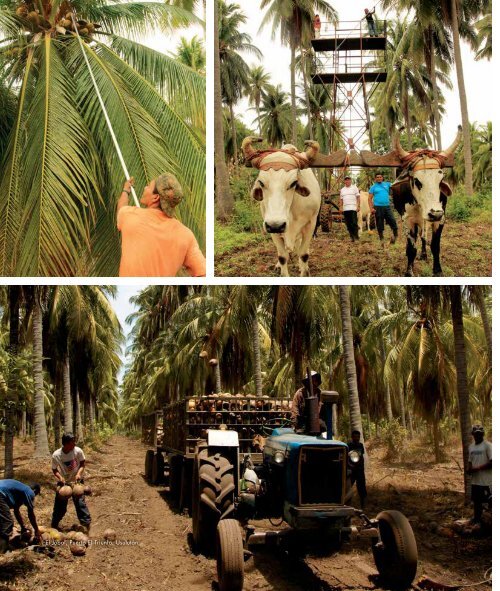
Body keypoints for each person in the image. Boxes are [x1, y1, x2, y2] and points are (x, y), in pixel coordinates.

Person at [117, 174, 206, 277]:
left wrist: (126, 191)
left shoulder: (130, 216)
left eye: (148, 186)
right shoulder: (186, 234)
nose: (145, 187)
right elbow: (203, 273)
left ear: (155, 197)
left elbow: (121, 209)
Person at [51, 433, 91, 533]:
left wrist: (79, 474)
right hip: (64, 482)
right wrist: (60, 478)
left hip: (77, 480)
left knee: (80, 503)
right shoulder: (56, 455)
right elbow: (54, 469)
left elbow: (82, 464)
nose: (74, 443)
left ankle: (86, 526)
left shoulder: (78, 451)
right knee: (60, 506)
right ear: (66, 444)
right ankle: (54, 526)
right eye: (72, 442)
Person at [0, 480, 41, 553]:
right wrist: (37, 530)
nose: (33, 498)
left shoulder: (19, 492)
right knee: (8, 522)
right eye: (35, 494)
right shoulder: (29, 492)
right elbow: (31, 514)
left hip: (1, 491)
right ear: (34, 490)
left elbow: (16, 511)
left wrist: (22, 527)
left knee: (2, 520)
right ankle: (2, 550)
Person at [467, 425, 492, 524]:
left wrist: (478, 468)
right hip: (475, 481)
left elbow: (493, 462)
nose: (477, 435)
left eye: (479, 434)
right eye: (475, 434)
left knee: (490, 501)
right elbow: (470, 460)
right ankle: (477, 519)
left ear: (482, 434)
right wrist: (470, 469)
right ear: (473, 435)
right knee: (477, 502)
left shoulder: (488, 445)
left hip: (487, 481)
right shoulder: (471, 447)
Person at [368, 173, 398, 244]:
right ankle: (381, 238)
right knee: (379, 223)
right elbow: (369, 199)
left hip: (387, 206)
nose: (379, 178)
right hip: (378, 207)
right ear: (375, 179)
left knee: (392, 220)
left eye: (380, 177)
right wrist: (371, 208)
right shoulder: (373, 187)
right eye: (377, 177)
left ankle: (395, 235)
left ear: (382, 178)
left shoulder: (387, 184)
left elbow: (396, 185)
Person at [347, 430, 367, 509]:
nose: (357, 438)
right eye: (355, 437)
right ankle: (347, 505)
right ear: (352, 437)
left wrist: (361, 468)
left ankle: (363, 507)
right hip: (352, 471)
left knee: (362, 489)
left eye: (358, 437)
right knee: (347, 488)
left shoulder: (360, 445)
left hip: (359, 471)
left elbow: (361, 457)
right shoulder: (348, 446)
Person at [340, 176, 360, 241]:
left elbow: (358, 197)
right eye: (346, 180)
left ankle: (356, 236)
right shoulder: (342, 190)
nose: (347, 181)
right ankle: (352, 237)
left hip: (353, 208)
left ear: (351, 181)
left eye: (348, 180)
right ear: (344, 181)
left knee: (354, 223)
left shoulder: (354, 188)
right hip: (345, 209)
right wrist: (340, 207)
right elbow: (341, 200)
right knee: (348, 224)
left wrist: (358, 206)